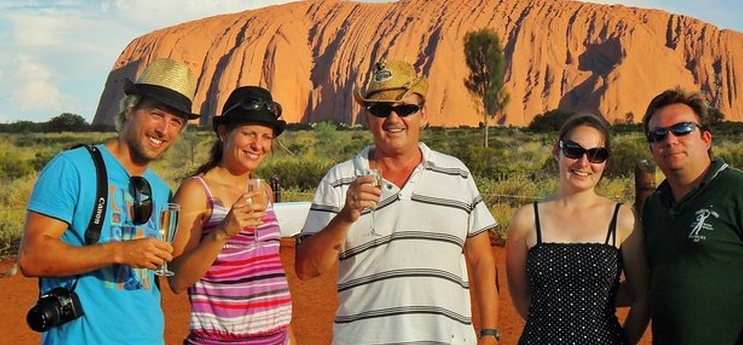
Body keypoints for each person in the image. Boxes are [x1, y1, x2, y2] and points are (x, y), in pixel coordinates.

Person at [295, 59, 500, 344]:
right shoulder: (339, 180)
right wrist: (345, 216)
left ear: (423, 114)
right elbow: (306, 268)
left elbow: (482, 261)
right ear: (366, 117)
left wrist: (490, 333)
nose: (394, 119)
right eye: (381, 110)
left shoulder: (457, 174)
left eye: (406, 108)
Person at [18, 57, 200, 344]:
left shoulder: (161, 190)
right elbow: (31, 258)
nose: (164, 130)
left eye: (175, 121)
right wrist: (119, 252)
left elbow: (176, 274)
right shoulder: (73, 168)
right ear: (130, 109)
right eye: (156, 113)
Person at [641, 87, 743, 345]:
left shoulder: (742, 190)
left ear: (706, 138)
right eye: (658, 135)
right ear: (652, 148)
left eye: (682, 129)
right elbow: (650, 283)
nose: (670, 140)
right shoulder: (654, 206)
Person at [505, 113, 650, 344]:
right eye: (573, 150)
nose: (584, 163)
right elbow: (522, 298)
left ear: (606, 162)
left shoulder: (622, 218)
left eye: (596, 154)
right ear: (557, 151)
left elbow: (641, 295)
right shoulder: (527, 219)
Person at [168, 86, 296, 345]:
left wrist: (289, 338)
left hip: (276, 338)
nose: (258, 145)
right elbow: (177, 279)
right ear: (224, 133)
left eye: (266, 137)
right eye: (249, 133)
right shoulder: (196, 191)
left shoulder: (263, 191)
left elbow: (267, 274)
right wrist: (223, 232)